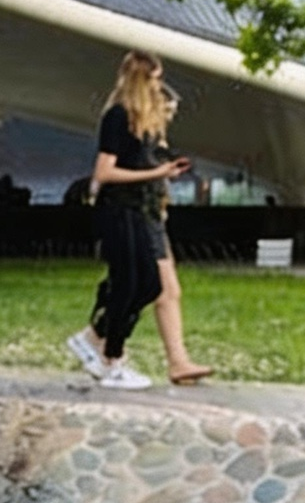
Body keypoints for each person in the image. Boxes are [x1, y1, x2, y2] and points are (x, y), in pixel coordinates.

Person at [65, 51, 209, 389]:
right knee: (134, 283)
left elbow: (141, 162)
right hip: (123, 210)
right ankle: (108, 355)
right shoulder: (118, 116)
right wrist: (157, 173)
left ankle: (103, 343)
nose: (159, 89)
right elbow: (104, 172)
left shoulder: (142, 124)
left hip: (143, 209)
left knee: (149, 285)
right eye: (154, 81)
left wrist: (163, 170)